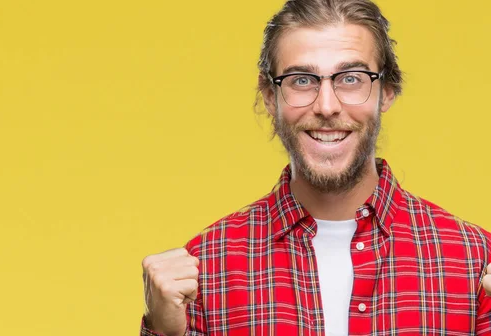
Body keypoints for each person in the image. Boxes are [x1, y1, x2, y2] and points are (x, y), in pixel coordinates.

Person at [140, 0, 491, 335]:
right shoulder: (205, 268)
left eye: (351, 78)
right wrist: (166, 332)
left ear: (386, 91)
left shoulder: (477, 263)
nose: (326, 106)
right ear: (269, 96)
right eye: (302, 80)